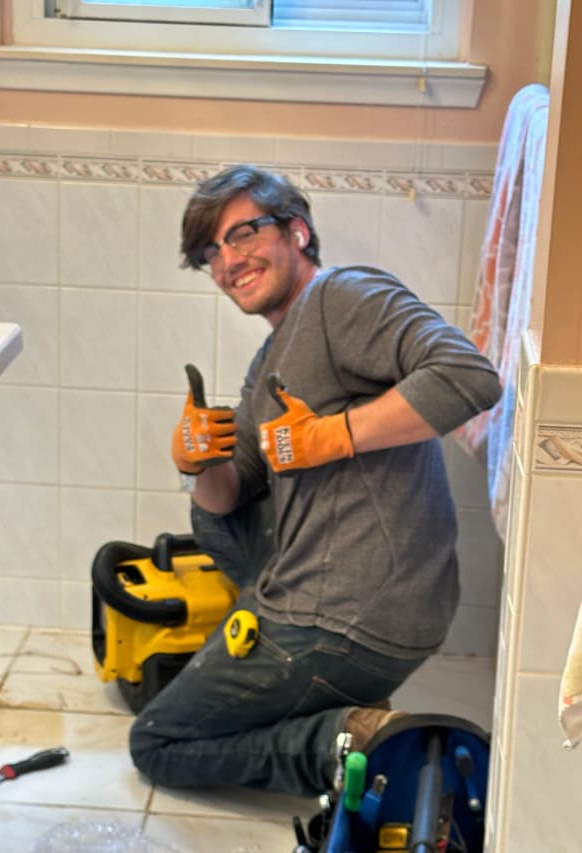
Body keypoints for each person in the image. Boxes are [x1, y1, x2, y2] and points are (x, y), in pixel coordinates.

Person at [129, 164, 502, 798]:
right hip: (368, 609)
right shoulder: (269, 361)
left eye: (243, 233)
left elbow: (470, 377)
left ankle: (342, 741)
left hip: (348, 617)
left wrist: (331, 435)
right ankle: (330, 696)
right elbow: (232, 494)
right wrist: (196, 460)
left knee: (158, 742)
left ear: (297, 231)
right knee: (211, 515)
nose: (227, 261)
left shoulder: (341, 297)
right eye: (210, 252)